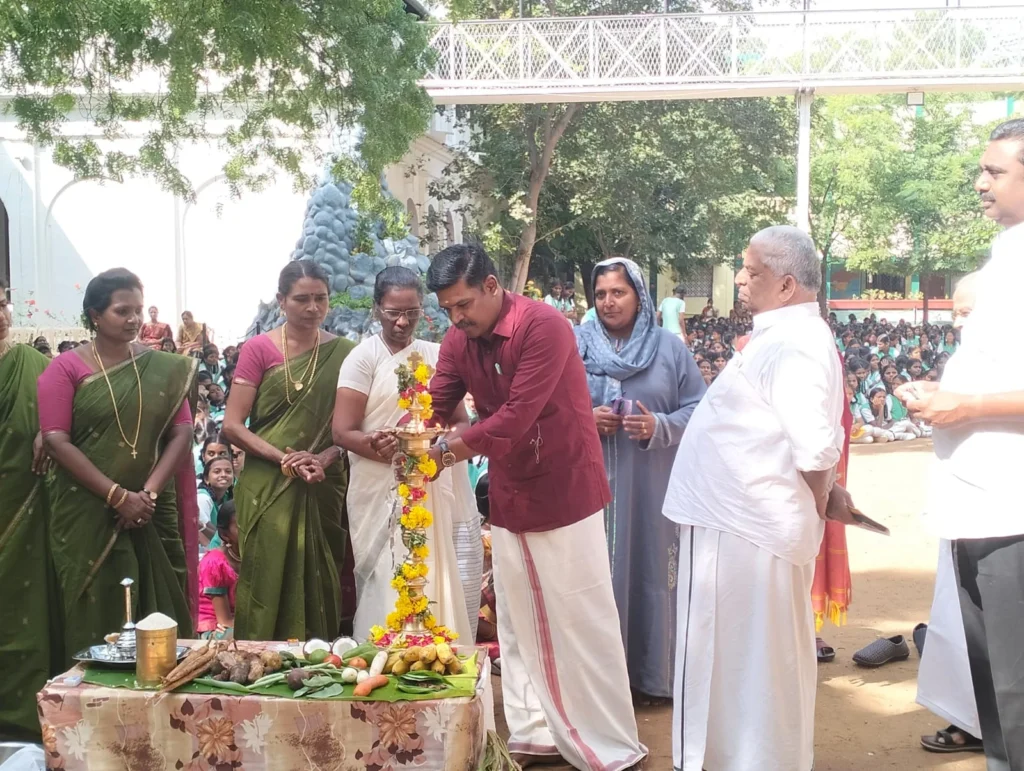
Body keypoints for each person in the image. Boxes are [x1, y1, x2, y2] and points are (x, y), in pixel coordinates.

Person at [385, 243, 645, 770]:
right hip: (509, 491)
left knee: (581, 618)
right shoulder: (461, 338)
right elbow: (437, 401)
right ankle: (536, 733)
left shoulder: (543, 326)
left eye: (463, 305)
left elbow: (519, 415)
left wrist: (448, 448)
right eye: (449, 310)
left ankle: (610, 745)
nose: (456, 319)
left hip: (565, 488)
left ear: (491, 286)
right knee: (518, 619)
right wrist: (408, 435)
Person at [662, 226, 855, 771]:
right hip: (746, 524)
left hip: (745, 530)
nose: (742, 279)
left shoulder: (793, 342)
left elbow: (815, 447)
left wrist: (820, 499)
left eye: (753, 271)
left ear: (787, 285)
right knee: (749, 670)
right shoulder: (784, 335)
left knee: (738, 668)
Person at [899, 120, 1024, 769]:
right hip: (976, 506)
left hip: (1014, 513)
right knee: (995, 693)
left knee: (1018, 689)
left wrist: (966, 405)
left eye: (995, 172)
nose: (980, 183)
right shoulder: (1005, 259)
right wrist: (944, 395)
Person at [39, 268, 199, 663]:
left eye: (138, 310)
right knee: (95, 601)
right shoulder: (65, 369)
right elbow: (56, 440)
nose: (134, 320)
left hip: (149, 505)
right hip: (86, 509)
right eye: (122, 310)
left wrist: (146, 495)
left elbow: (181, 431)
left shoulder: (161, 366)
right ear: (95, 315)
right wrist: (116, 496)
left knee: (159, 602)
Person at [576, 258, 705, 703]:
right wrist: (585, 419)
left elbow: (700, 410)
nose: (609, 302)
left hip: (653, 487)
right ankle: (600, 685)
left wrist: (660, 427)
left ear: (639, 296)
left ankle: (652, 677)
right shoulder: (577, 347)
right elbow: (550, 406)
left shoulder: (669, 349)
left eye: (618, 292)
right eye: (600, 294)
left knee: (651, 572)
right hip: (591, 490)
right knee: (597, 576)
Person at [333, 266, 481, 644]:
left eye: (412, 312)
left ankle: (438, 654)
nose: (402, 322)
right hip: (378, 491)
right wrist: (383, 450)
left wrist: (433, 453)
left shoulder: (435, 354)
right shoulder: (362, 358)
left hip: (431, 487)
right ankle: (383, 654)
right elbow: (343, 430)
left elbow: (462, 423)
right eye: (392, 312)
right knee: (386, 571)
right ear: (375, 308)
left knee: (433, 569)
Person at [222, 260, 353, 641]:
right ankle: (258, 661)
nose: (313, 307)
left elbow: (354, 425)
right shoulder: (258, 350)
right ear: (281, 301)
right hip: (269, 480)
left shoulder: (346, 352)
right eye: (302, 299)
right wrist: (285, 460)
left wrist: (325, 457)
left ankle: (320, 662)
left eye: (320, 298)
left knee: (322, 574)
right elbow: (232, 425)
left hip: (323, 479)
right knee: (266, 575)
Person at [917, 271, 984, 755]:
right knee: (958, 617)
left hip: (996, 507)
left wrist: (953, 408)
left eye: (968, 312)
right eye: (955, 312)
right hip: (966, 501)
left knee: (980, 621)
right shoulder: (971, 357)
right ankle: (968, 718)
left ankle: (982, 724)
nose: (959, 322)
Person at [0, 278, 58, 741]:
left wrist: (49, 430)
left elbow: (66, 414)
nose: (2, 316)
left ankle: (24, 717)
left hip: (25, 512)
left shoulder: (33, 365)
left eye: (3, 305)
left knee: (24, 608)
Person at [197, 500, 240, 640]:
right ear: (224, 534)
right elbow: (225, 621)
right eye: (241, 527)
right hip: (215, 627)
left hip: (240, 623)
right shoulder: (215, 562)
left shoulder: (255, 558)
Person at [198, 455, 234, 549]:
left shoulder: (228, 498)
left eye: (228, 471)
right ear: (206, 479)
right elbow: (201, 531)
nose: (223, 475)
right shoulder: (203, 498)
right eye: (217, 471)